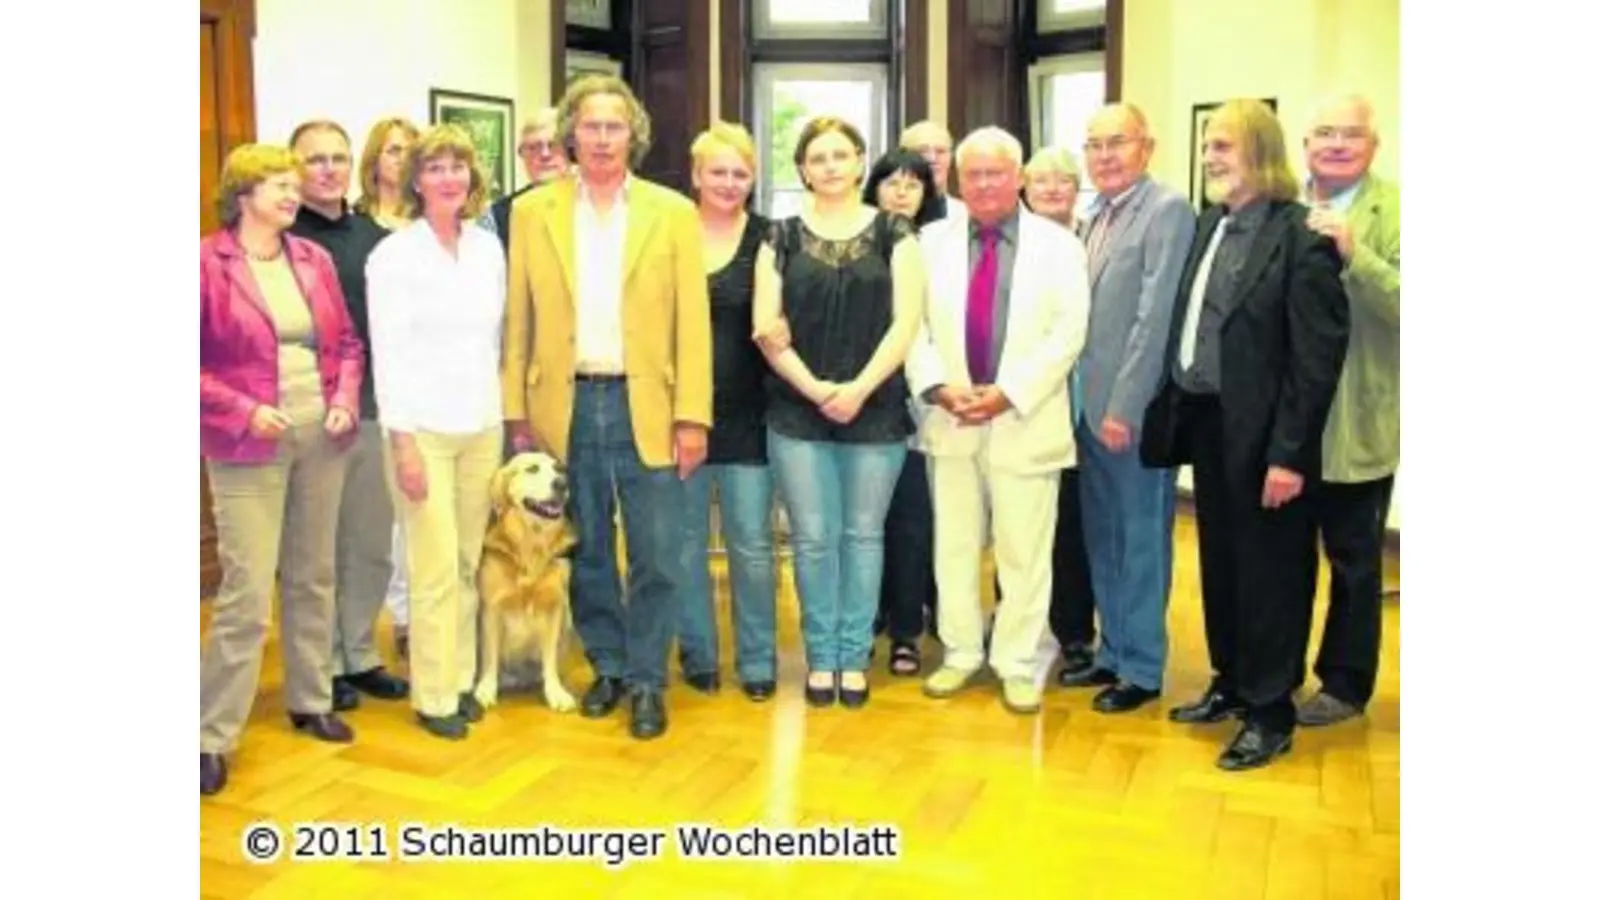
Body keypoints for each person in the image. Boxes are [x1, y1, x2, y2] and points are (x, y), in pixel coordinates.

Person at [501, 75, 712, 741]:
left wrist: (693, 416)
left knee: (656, 552)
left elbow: (693, 323)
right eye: (588, 126)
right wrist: (515, 410)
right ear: (571, 134)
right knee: (586, 547)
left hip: (646, 402)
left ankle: (649, 680)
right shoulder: (533, 213)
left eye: (612, 126)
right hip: (563, 405)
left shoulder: (672, 212)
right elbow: (519, 318)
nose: (600, 138)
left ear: (633, 136)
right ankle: (610, 667)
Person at [1141, 99, 1349, 771]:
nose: (1209, 158)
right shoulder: (1209, 225)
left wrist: (1289, 455)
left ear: (1260, 151)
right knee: (1224, 567)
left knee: (1273, 576)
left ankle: (1269, 711)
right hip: (1208, 425)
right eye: (1207, 147)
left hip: (1268, 439)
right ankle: (1230, 682)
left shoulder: (1301, 236)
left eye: (1222, 147)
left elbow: (1315, 360)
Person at [200, 143, 365, 796]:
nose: (292, 195)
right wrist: (243, 409)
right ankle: (211, 734)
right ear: (243, 195)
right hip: (245, 442)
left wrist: (346, 399)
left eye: (293, 186)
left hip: (320, 434)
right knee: (244, 590)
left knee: (313, 572)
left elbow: (347, 344)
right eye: (278, 185)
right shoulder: (203, 265)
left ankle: (310, 698)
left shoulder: (313, 259)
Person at [907, 127, 1089, 714]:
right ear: (958, 180)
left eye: (996, 172)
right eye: (973, 174)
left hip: (1025, 420)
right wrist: (937, 387)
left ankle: (1015, 659)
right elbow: (911, 326)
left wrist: (1009, 393)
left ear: (1018, 177)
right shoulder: (928, 241)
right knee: (953, 545)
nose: (984, 184)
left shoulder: (1060, 246)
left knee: (1024, 550)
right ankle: (961, 652)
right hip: (951, 417)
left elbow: (1068, 332)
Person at [753, 117, 926, 709]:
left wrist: (856, 389)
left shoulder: (896, 234)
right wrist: (818, 390)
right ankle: (820, 656)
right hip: (797, 413)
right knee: (814, 540)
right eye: (816, 157)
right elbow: (766, 330)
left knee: (862, 535)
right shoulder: (777, 236)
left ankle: (853, 658)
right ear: (802, 169)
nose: (828, 166)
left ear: (859, 163)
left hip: (875, 411)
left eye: (840, 155)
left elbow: (906, 324)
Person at [366, 124, 507, 740]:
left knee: (467, 562)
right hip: (420, 429)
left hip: (481, 423)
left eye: (459, 166)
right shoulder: (394, 255)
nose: (449, 177)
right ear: (416, 180)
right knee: (431, 565)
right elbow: (388, 354)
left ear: (471, 177)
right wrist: (402, 444)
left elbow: (494, 340)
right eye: (436, 167)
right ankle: (432, 695)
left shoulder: (487, 248)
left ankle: (461, 679)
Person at [1064, 104, 1195, 713]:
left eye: (1118, 142)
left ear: (1148, 147)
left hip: (1129, 415)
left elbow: (1154, 317)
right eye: (1094, 145)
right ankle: (1112, 651)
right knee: (1103, 537)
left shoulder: (1167, 211)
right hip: (1084, 411)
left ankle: (1142, 667)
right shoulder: (1093, 217)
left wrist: (1125, 406)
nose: (1104, 155)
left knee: (1140, 540)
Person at [287, 119, 410, 712]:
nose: (330, 169)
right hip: (314, 411)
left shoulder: (375, 236)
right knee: (317, 550)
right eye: (316, 160)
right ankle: (320, 666)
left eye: (338, 157)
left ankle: (358, 654)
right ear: (294, 166)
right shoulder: (283, 240)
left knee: (369, 543)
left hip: (375, 409)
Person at [1298, 93, 1400, 727]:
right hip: (1287, 423)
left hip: (1356, 419)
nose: (1337, 143)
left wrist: (1355, 256)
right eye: (1324, 132)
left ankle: (1345, 682)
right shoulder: (1283, 205)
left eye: (1351, 134)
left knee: (1355, 561)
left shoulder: (1399, 212)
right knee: (1281, 559)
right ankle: (1273, 670)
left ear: (1373, 145)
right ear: (1305, 143)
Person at [676, 121, 778, 702]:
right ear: (695, 175)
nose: (729, 182)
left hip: (751, 418)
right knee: (685, 544)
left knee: (752, 547)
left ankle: (759, 659)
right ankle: (697, 653)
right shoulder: (667, 233)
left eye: (741, 173)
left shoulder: (769, 237)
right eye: (718, 170)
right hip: (680, 416)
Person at [861, 148, 942, 676]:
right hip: (863, 401)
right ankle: (866, 619)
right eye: (892, 181)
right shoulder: (857, 239)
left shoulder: (937, 245)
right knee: (865, 523)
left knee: (912, 523)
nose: (902, 191)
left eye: (914, 183)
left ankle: (906, 631)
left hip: (924, 408)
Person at [1021, 145, 1097, 678]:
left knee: (1074, 525)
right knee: (1019, 522)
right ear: (1024, 187)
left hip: (1086, 407)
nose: (1052, 188)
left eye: (1063, 180)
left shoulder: (1095, 236)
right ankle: (1015, 618)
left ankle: (1074, 632)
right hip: (1025, 403)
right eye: (1041, 180)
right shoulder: (1012, 243)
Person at [485, 107, 571, 252]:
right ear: (522, 155)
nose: (544, 154)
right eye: (533, 148)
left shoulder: (593, 204)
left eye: (553, 145)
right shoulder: (499, 215)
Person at [900, 120, 965, 221]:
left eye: (940, 151)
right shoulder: (885, 217)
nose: (932, 159)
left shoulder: (966, 217)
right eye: (922, 151)